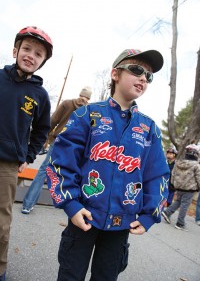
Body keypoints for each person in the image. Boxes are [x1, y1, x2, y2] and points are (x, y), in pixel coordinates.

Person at [46, 48, 170, 281]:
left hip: (121, 225)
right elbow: (60, 162)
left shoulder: (149, 129)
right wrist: (71, 204)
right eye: (137, 70)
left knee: (106, 276)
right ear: (115, 74)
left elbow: (159, 175)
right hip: (83, 217)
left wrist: (149, 215)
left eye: (149, 76)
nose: (144, 78)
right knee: (70, 275)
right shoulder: (87, 115)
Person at [0, 26, 53, 280]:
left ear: (42, 62)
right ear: (15, 50)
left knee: (1, 224)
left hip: (8, 165)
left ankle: (0, 268)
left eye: (38, 54)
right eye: (27, 48)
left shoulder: (40, 95)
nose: (31, 55)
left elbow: (42, 130)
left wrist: (28, 156)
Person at [21, 86, 92, 214]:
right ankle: (75, 207)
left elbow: (52, 121)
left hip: (59, 141)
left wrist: (45, 139)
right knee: (74, 173)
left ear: (80, 94)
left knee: (43, 171)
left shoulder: (67, 103)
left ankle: (28, 204)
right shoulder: (88, 110)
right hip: (77, 146)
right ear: (89, 98)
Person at [162, 144, 200, 231]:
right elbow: (198, 177)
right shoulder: (196, 166)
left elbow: (173, 174)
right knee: (184, 205)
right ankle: (180, 223)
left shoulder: (179, 162)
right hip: (190, 188)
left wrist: (173, 184)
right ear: (195, 154)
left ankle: (167, 212)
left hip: (178, 187)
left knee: (178, 201)